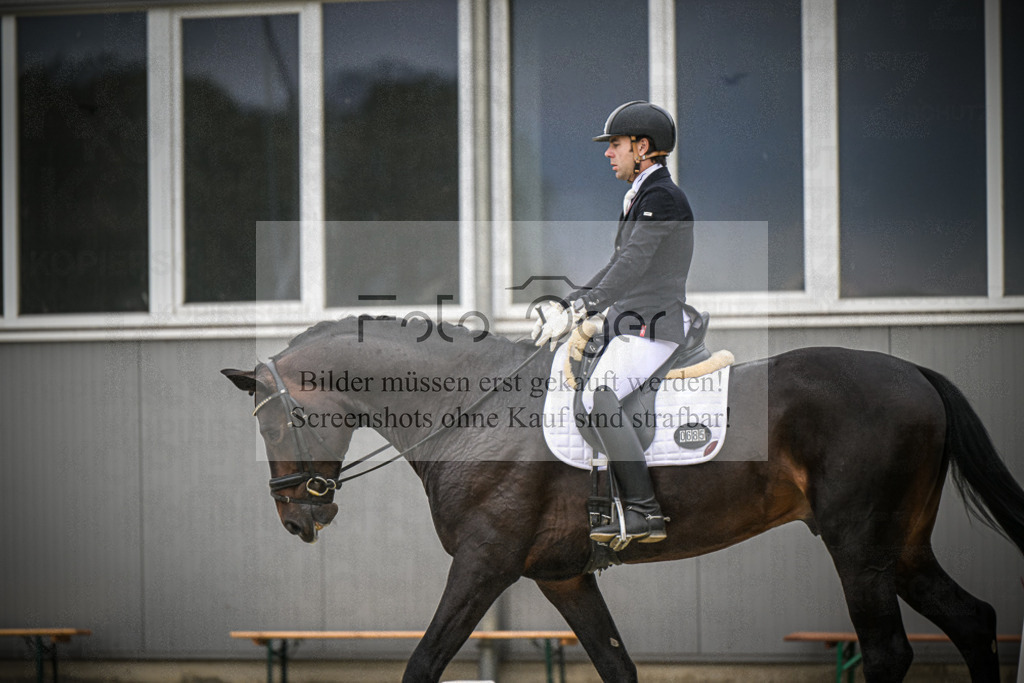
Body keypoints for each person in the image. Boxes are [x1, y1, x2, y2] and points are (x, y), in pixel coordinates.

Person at [532, 100, 695, 548]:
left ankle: (644, 511)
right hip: (633, 321)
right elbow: (617, 264)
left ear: (643, 148)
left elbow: (634, 265)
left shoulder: (661, 197)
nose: (608, 153)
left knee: (598, 397)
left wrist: (583, 310)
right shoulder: (641, 195)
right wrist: (570, 304)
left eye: (616, 145)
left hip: (651, 326)